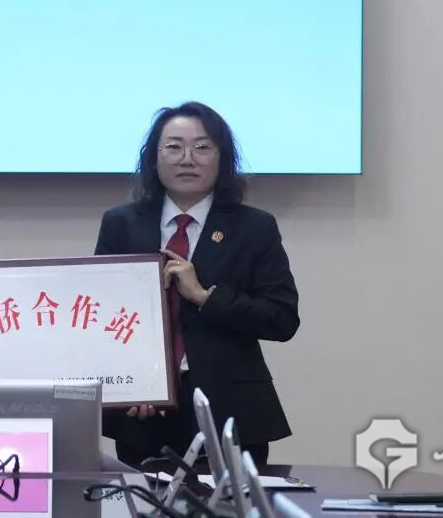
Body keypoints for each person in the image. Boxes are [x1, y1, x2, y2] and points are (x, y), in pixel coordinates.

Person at [94, 101, 299, 467]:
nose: (187, 159)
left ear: (223, 159)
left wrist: (206, 297)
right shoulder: (120, 224)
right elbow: (102, 318)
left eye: (202, 147)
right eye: (174, 147)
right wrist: (133, 385)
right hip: (144, 414)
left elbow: (281, 318)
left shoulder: (255, 227)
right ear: (153, 158)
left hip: (231, 410)